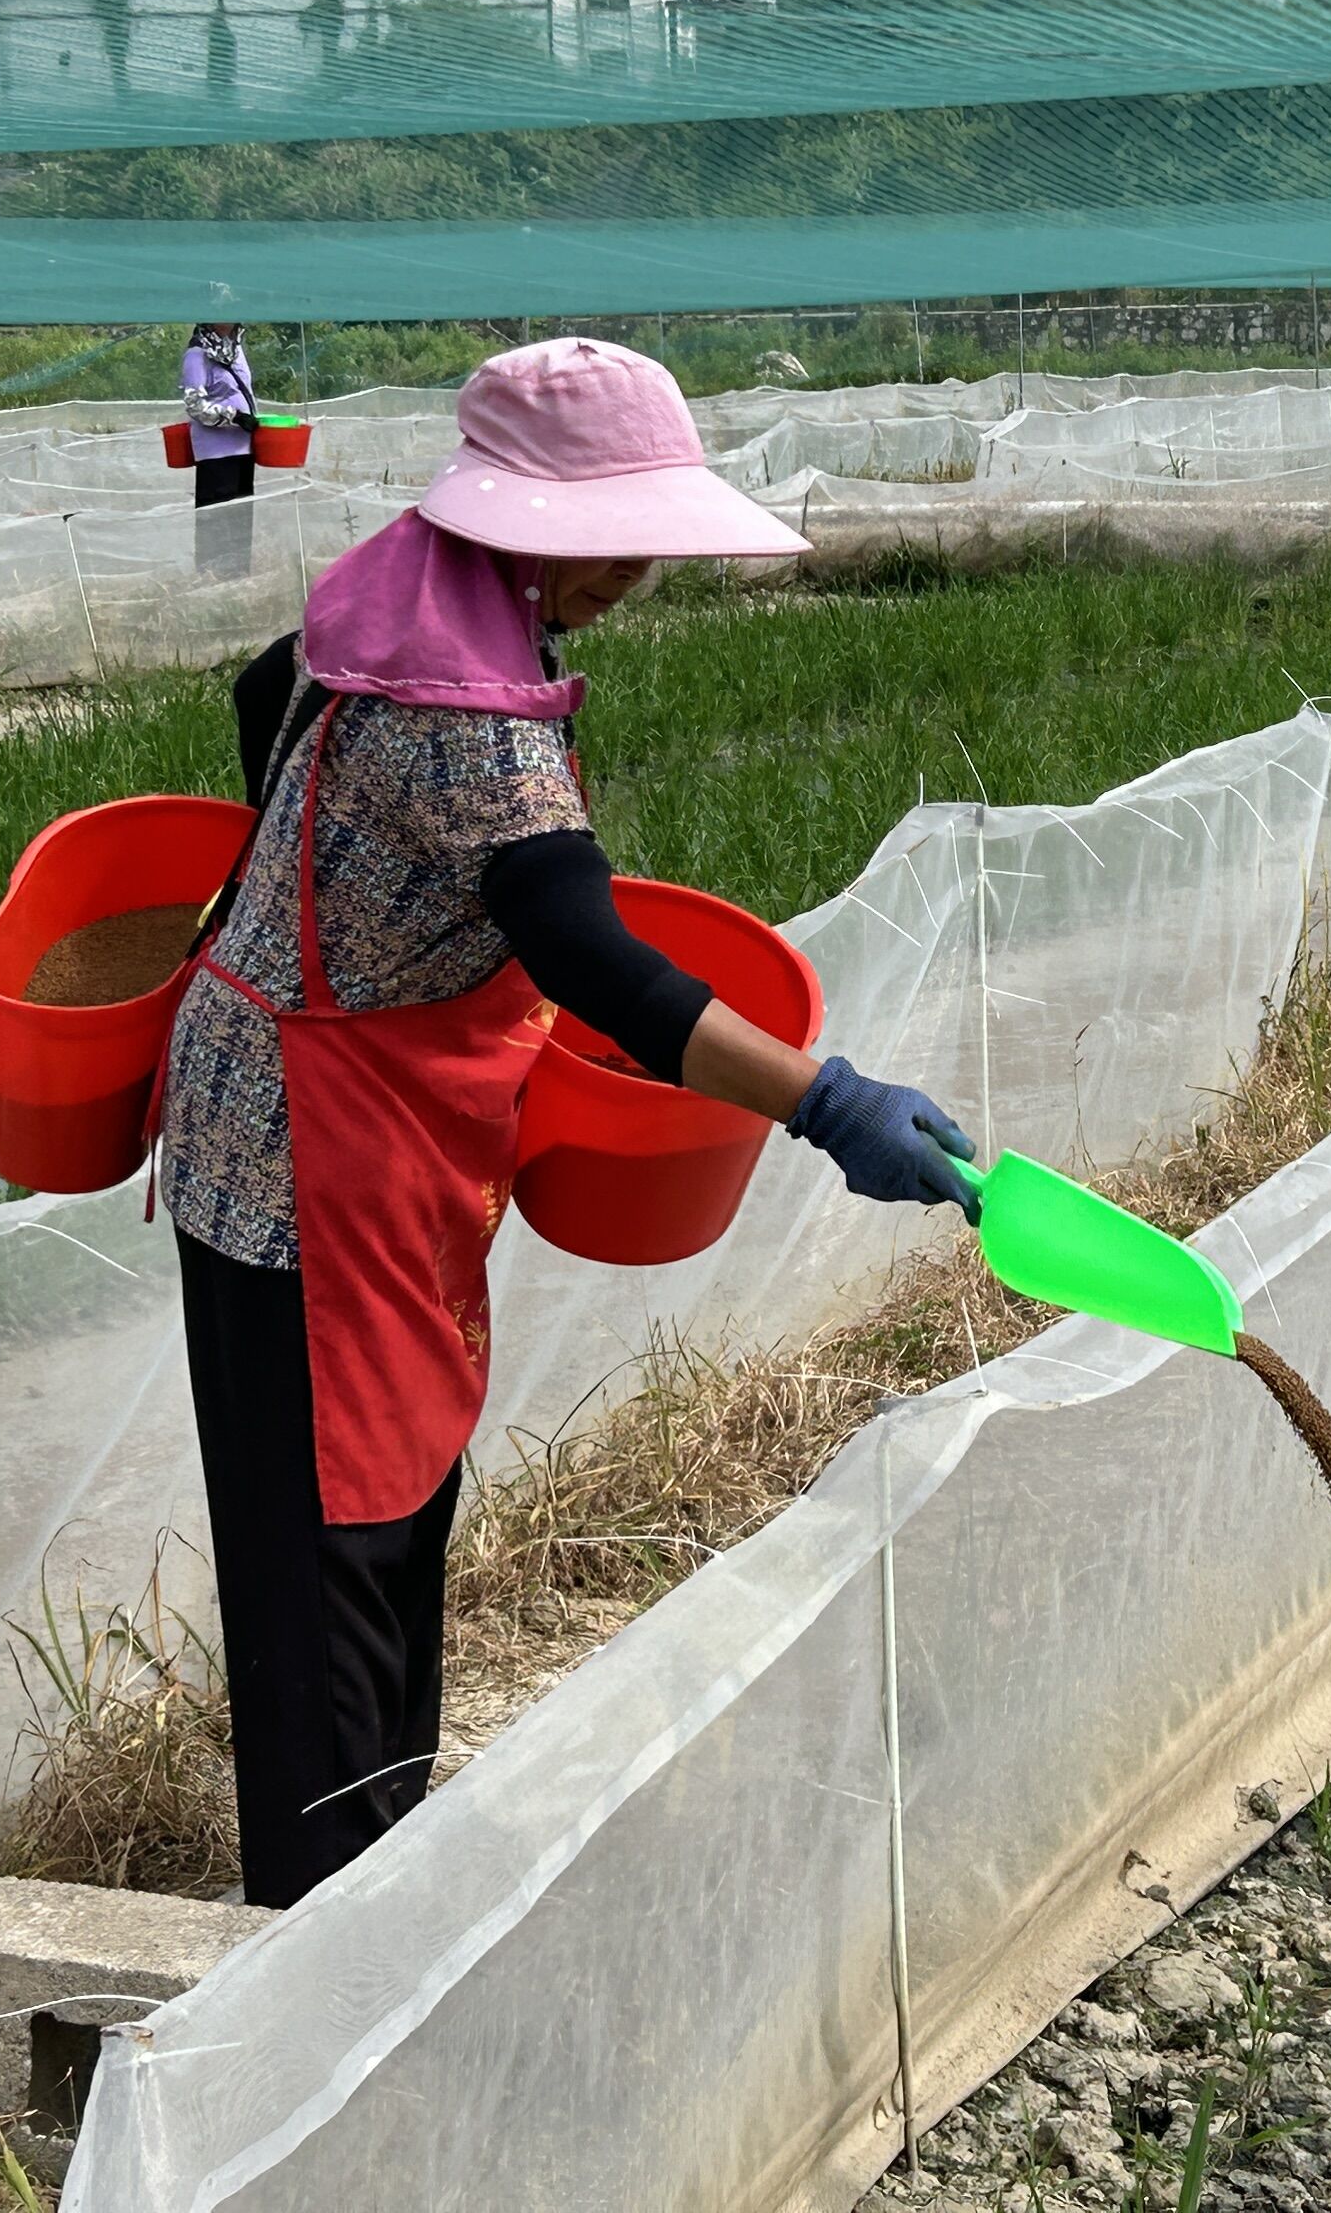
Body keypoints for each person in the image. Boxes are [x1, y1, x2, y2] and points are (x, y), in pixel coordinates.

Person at [154, 336, 980, 1908]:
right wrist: (826, 1102)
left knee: (383, 1502)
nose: (644, 565)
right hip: (296, 1152)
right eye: (617, 530)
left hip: (356, 1120)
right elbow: (587, 952)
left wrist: (358, 905)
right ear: (516, 517)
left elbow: (272, 690)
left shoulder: (407, 592)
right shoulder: (471, 720)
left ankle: (377, 1869)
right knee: (325, 1549)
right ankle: (322, 1924)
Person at [182, 324, 259, 575]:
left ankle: (238, 576)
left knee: (240, 517)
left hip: (243, 448)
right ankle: (212, 578)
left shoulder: (235, 350)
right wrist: (233, 417)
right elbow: (194, 405)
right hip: (215, 452)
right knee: (217, 521)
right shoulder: (197, 355)